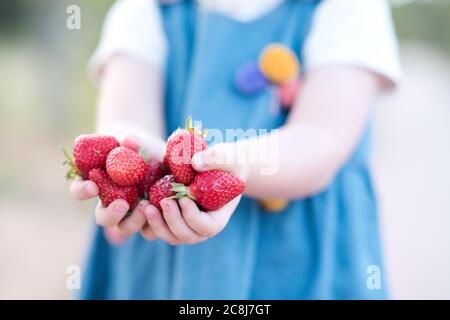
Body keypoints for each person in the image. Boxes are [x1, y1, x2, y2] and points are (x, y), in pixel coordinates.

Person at [70, 0, 402, 299]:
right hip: (157, 241)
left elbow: (321, 139)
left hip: (295, 255)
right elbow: (127, 121)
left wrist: (233, 166)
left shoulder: (346, 9)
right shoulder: (149, 9)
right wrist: (126, 159)